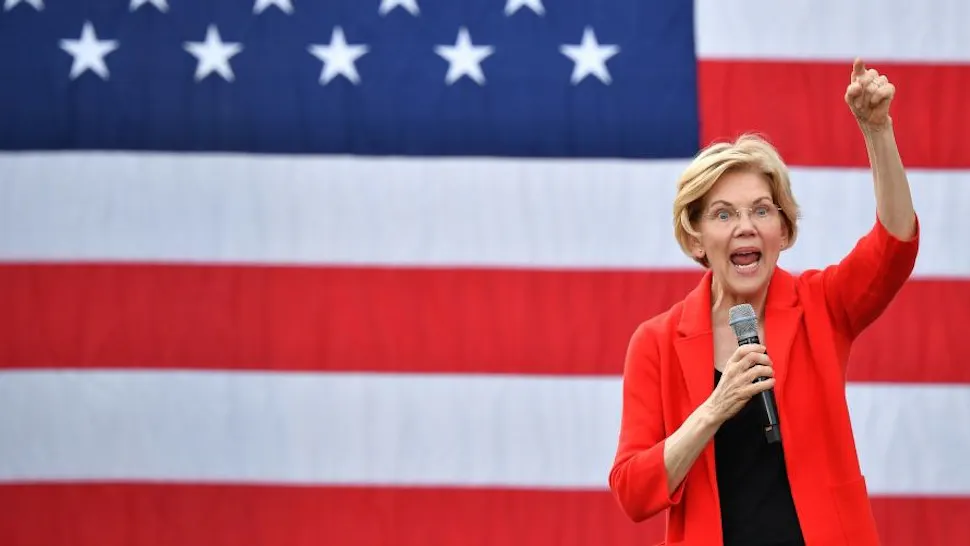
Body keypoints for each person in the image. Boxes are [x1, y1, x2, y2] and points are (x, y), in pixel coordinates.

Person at [607, 58, 919, 546]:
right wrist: (715, 407)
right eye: (723, 214)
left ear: (784, 230)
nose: (745, 226)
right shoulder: (657, 342)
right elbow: (633, 492)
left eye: (760, 210)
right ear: (696, 240)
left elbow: (895, 245)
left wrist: (878, 131)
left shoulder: (823, 304)